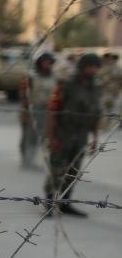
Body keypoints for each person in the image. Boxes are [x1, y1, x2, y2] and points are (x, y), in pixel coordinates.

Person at [44, 53, 102, 217]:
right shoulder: (66, 85)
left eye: (96, 67)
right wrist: (51, 136)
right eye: (90, 66)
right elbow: (53, 110)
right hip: (63, 133)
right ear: (82, 67)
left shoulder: (95, 88)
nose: (93, 70)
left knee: (73, 171)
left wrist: (95, 138)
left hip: (81, 135)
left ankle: (65, 203)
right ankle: (49, 201)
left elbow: (96, 114)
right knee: (57, 169)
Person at [18, 52, 57, 170]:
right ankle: (26, 159)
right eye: (45, 62)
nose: (47, 65)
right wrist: (25, 112)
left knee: (43, 136)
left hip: (47, 111)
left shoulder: (54, 78)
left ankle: (36, 160)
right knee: (29, 136)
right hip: (32, 109)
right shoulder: (31, 77)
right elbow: (24, 96)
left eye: (49, 63)